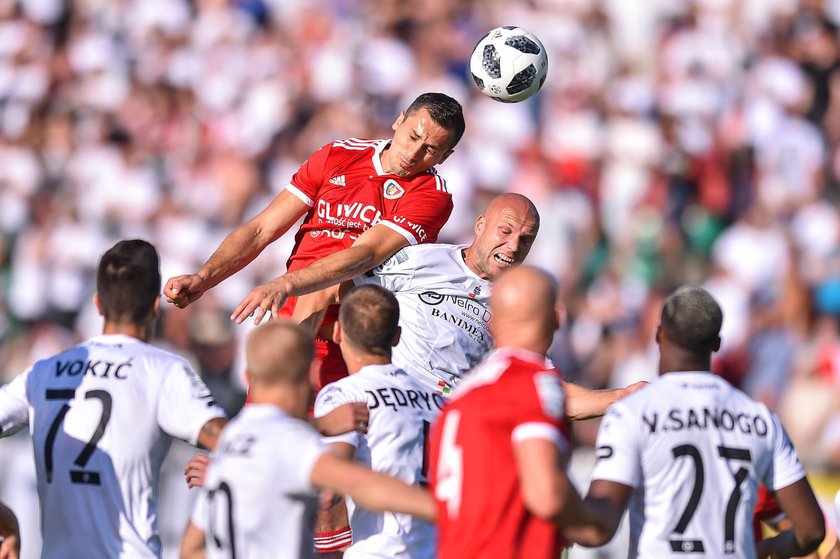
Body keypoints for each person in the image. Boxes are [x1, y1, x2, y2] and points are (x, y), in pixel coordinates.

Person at [165, 92, 465, 389]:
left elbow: (364, 255)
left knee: (326, 431)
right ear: (398, 121)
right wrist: (203, 278)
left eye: (430, 150)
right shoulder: (339, 154)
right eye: (412, 136)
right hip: (290, 315)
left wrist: (285, 283)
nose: (413, 154)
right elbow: (261, 229)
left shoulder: (432, 196)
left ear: (445, 157)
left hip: (350, 338)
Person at [0, 239, 228, 558]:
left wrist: (5, 519)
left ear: (97, 305)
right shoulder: (164, 371)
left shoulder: (43, 372)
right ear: (153, 307)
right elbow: (229, 439)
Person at [566, 286, 826, 558]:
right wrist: (767, 548)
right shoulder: (760, 420)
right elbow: (812, 531)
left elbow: (597, 529)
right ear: (717, 344)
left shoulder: (632, 414)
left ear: (659, 335)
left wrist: (553, 506)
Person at [356, 192, 644, 410]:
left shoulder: (515, 304)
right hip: (390, 409)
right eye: (505, 231)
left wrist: (620, 396)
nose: (514, 246)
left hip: (450, 432)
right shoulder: (423, 260)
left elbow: (549, 392)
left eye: (526, 240)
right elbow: (345, 287)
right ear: (480, 224)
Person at [180, 320, 436, 559]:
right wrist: (447, 509)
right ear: (314, 373)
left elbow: (190, 550)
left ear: (248, 377)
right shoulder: (294, 444)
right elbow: (356, 482)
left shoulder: (230, 444)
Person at [429, 266, 605, 559]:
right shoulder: (532, 382)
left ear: (493, 323)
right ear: (556, 319)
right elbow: (547, 494)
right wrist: (595, 518)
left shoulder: (461, 395)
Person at [312, 285, 442, 558]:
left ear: (337, 333)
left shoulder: (344, 394)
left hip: (378, 549)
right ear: (396, 337)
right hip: (438, 548)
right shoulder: (439, 403)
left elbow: (330, 484)